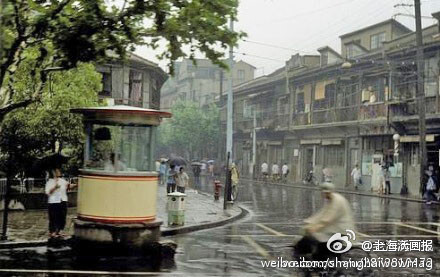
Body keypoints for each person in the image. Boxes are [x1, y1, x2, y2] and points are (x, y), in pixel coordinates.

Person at [295, 182, 355, 260]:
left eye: (324, 193)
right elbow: (322, 213)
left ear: (328, 192)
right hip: (333, 228)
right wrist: (310, 222)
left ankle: (325, 264)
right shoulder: (330, 199)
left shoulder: (337, 201)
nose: (323, 196)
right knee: (319, 239)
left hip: (340, 230)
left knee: (321, 246)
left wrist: (315, 228)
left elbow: (328, 218)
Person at [45, 168, 75, 238]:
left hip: (63, 201)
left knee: (62, 217)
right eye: (57, 171)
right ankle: (52, 232)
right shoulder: (49, 182)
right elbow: (47, 193)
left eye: (59, 171)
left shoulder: (62, 181)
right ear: (53, 172)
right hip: (53, 202)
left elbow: (68, 186)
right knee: (54, 217)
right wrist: (55, 187)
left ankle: (58, 231)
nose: (59, 172)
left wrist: (75, 185)